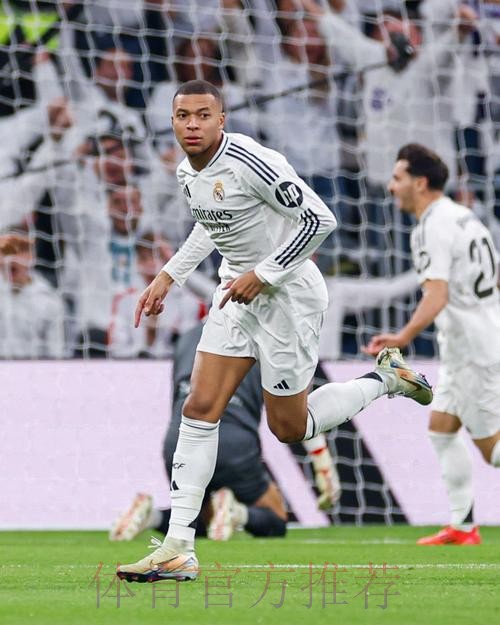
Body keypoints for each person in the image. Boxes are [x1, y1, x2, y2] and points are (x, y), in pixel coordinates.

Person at [117, 79, 432, 584]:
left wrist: (264, 273)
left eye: (203, 115)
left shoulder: (252, 161)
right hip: (235, 295)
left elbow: (319, 220)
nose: (193, 125)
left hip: (288, 299)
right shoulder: (187, 171)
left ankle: (387, 380)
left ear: (222, 120)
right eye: (183, 116)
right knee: (198, 408)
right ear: (172, 121)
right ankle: (178, 548)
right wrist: (168, 275)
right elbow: (210, 224)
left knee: (289, 426)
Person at [363, 143, 500, 546]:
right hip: (472, 343)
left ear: (420, 183)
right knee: (441, 428)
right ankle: (462, 526)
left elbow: (436, 294)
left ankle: (463, 526)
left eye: (397, 178)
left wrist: (402, 337)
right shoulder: (464, 217)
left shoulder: (430, 226)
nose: (391, 187)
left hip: (474, 351)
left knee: (492, 449)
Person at [110, 321, 340, 542]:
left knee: (191, 516)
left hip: (179, 440)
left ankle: (151, 516)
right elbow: (294, 412)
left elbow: (178, 403)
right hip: (233, 443)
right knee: (276, 517)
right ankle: (237, 513)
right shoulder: (267, 338)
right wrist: (323, 466)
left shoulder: (187, 338)